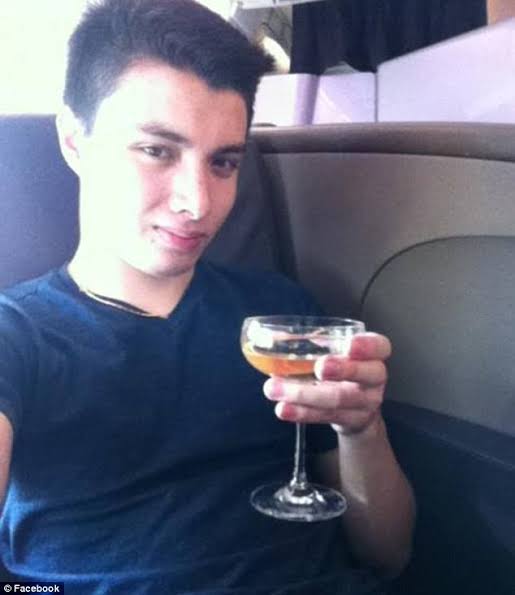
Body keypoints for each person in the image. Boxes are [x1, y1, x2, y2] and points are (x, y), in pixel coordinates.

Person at [0, 0, 415, 593]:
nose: (198, 203)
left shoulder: (282, 323)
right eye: (157, 150)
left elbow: (388, 554)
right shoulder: (17, 335)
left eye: (223, 162)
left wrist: (361, 430)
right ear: (74, 141)